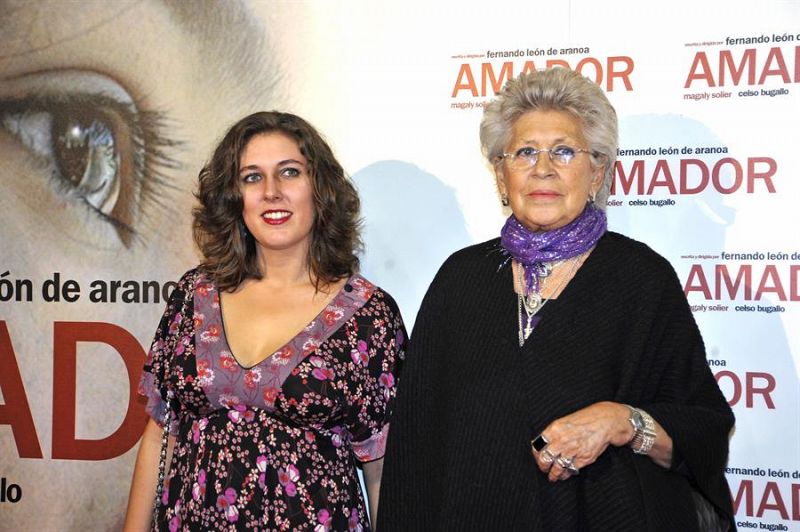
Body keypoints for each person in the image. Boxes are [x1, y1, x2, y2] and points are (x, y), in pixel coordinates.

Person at [377, 68, 735, 531]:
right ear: (501, 176)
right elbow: (416, 448)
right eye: (525, 152)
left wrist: (621, 421)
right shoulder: (459, 279)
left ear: (597, 173)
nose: (542, 168)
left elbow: (703, 430)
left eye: (564, 151)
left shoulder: (641, 280)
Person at [124, 111, 406, 530]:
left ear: (320, 188)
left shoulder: (369, 316)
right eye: (252, 177)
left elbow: (382, 468)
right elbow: (159, 434)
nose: (271, 192)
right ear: (233, 196)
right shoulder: (193, 295)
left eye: (289, 172)